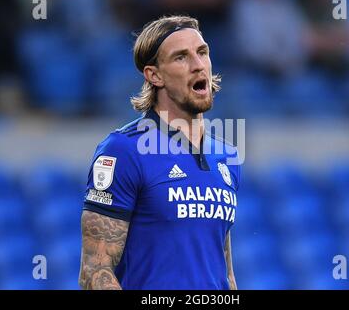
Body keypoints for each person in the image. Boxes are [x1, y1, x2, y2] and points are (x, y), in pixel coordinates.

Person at [78, 15, 241, 290]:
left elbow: (223, 270)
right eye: (181, 57)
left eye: (202, 52)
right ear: (154, 75)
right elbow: (94, 272)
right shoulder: (123, 150)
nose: (198, 65)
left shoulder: (226, 157)